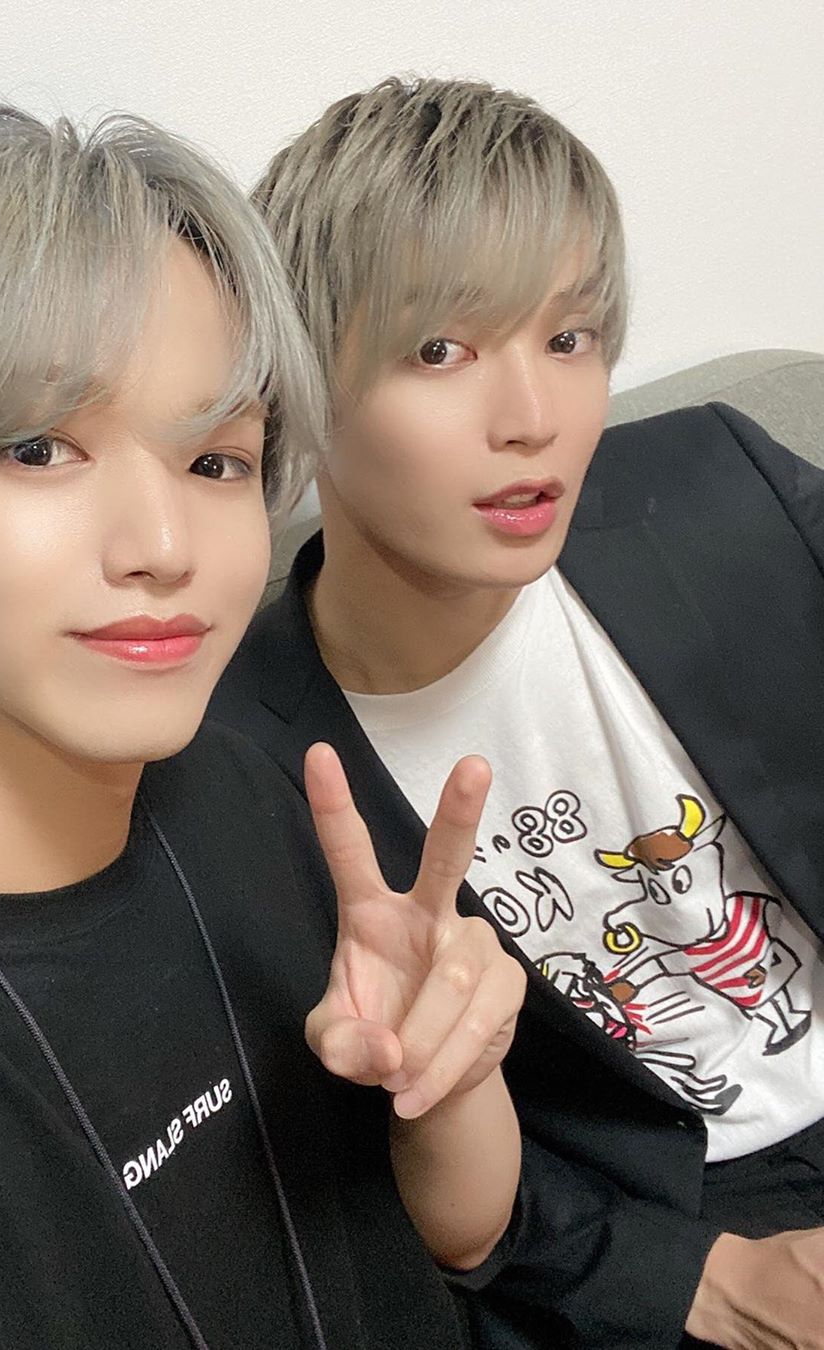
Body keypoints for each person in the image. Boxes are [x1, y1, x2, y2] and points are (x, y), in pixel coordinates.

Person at [0, 103, 527, 1348]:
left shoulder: (258, 795)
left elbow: (462, 1240)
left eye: (216, 462)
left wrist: (447, 1076)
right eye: (39, 448)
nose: (164, 546)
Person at [211, 77, 824, 1349]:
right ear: (297, 388)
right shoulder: (239, 765)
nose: (534, 421)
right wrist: (703, 1282)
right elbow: (418, 1199)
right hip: (663, 1235)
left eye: (570, 336)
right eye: (440, 351)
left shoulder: (720, 484)